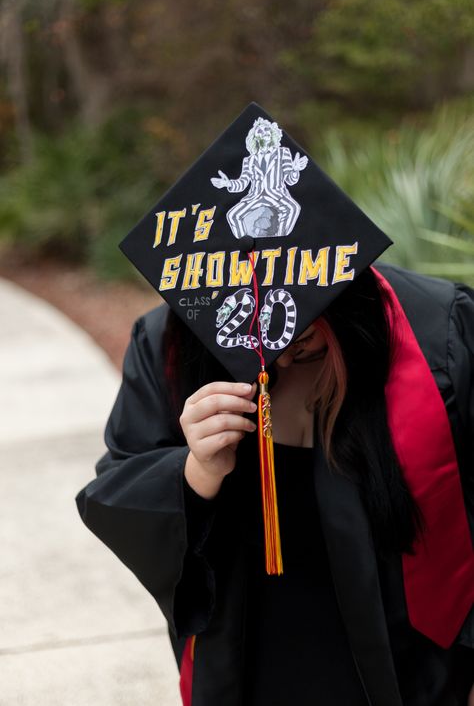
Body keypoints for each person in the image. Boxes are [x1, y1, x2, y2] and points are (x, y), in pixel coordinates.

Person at [76, 261, 474, 706]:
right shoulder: (171, 341)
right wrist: (196, 471)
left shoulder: (434, 326)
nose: (281, 357)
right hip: (251, 646)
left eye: (302, 340)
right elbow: (118, 489)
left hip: (407, 653)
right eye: (261, 342)